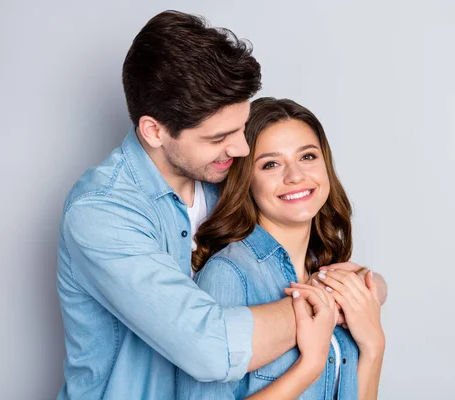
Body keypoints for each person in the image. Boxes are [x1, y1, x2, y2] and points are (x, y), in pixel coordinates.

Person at [56, 11, 387, 399]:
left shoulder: (224, 180)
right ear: (154, 131)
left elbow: (337, 265)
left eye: (241, 128)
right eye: (219, 137)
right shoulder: (101, 213)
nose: (241, 148)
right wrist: (329, 299)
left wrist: (366, 291)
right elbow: (210, 348)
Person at [177, 97, 385, 399]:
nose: (295, 176)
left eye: (308, 157)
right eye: (271, 164)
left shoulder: (331, 274)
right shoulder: (230, 274)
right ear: (246, 180)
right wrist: (309, 367)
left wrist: (374, 347)